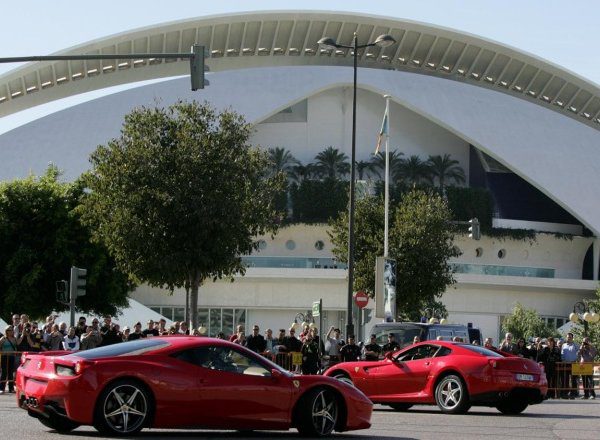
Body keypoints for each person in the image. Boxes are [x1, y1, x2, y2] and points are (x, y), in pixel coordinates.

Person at [560, 332, 579, 399]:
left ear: (572, 338)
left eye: (570, 337)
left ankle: (573, 393)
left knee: (573, 379)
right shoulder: (564, 345)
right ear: (566, 338)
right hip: (566, 364)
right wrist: (563, 360)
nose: (569, 338)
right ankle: (565, 393)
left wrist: (577, 359)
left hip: (574, 364)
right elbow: (562, 354)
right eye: (568, 337)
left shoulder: (575, 345)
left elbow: (579, 352)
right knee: (566, 379)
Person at [0, 325, 18, 393]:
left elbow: (17, 344)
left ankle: (11, 388)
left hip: (12, 357)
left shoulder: (14, 339)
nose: (11, 331)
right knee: (4, 372)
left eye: (12, 330)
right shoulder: (3, 338)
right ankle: (1, 388)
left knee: (11, 372)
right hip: (4, 356)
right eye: (10, 330)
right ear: (6, 331)